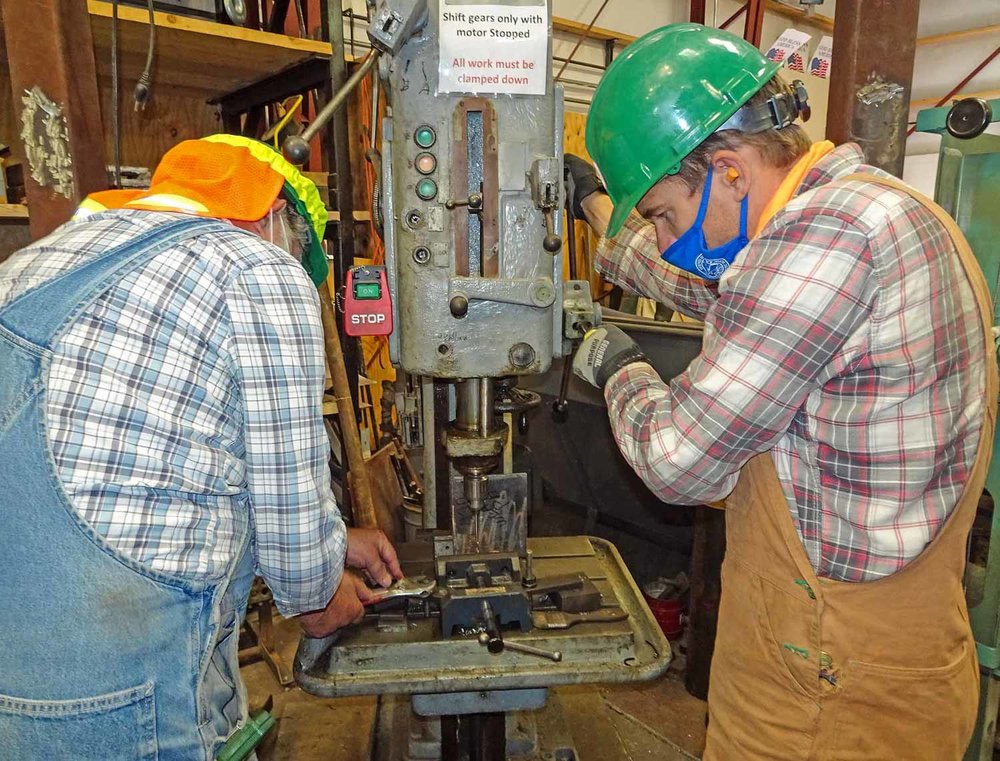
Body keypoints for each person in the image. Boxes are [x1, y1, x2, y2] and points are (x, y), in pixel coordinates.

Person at [567, 23, 997, 760]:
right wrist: (601, 218)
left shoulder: (827, 236)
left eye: (665, 213)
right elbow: (724, 295)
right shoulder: (879, 209)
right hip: (889, 650)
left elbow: (679, 462)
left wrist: (618, 366)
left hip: (827, 683)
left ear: (729, 169)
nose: (668, 239)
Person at [0, 134, 402, 760]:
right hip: (130, 686)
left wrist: (336, 538)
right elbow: (307, 584)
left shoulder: (36, 261)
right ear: (272, 218)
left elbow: (151, 467)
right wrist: (324, 589)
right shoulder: (257, 267)